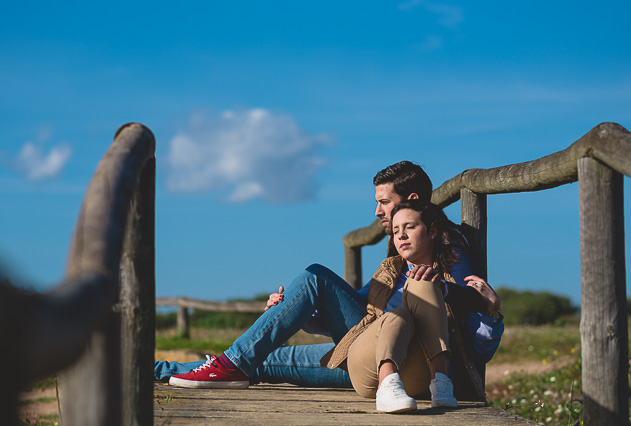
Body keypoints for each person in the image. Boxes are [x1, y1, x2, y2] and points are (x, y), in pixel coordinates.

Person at [157, 161, 504, 393]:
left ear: (411, 201)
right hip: (368, 353)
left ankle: (231, 363)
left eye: (384, 202)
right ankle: (158, 370)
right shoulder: (396, 260)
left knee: (315, 277)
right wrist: (295, 312)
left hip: (410, 362)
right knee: (262, 359)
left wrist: (490, 314)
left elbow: (466, 318)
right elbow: (362, 310)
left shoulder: (448, 248)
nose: (377, 211)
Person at [323, 199, 464, 412]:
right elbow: (348, 311)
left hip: (416, 374)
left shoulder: (449, 280)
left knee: (423, 279)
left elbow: (480, 340)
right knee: (398, 315)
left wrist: (492, 311)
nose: (401, 235)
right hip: (368, 363)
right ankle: (386, 385)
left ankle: (441, 382)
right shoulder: (385, 273)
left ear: (432, 231)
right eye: (396, 230)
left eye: (410, 227)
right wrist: (302, 313)